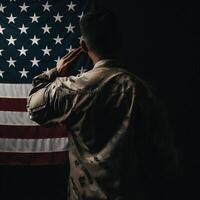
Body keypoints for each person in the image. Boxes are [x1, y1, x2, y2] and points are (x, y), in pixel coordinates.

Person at [27, 11, 178, 200]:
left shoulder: (70, 89)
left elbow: (33, 107)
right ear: (119, 42)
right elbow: (165, 158)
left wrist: (55, 73)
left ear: (83, 45)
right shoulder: (143, 90)